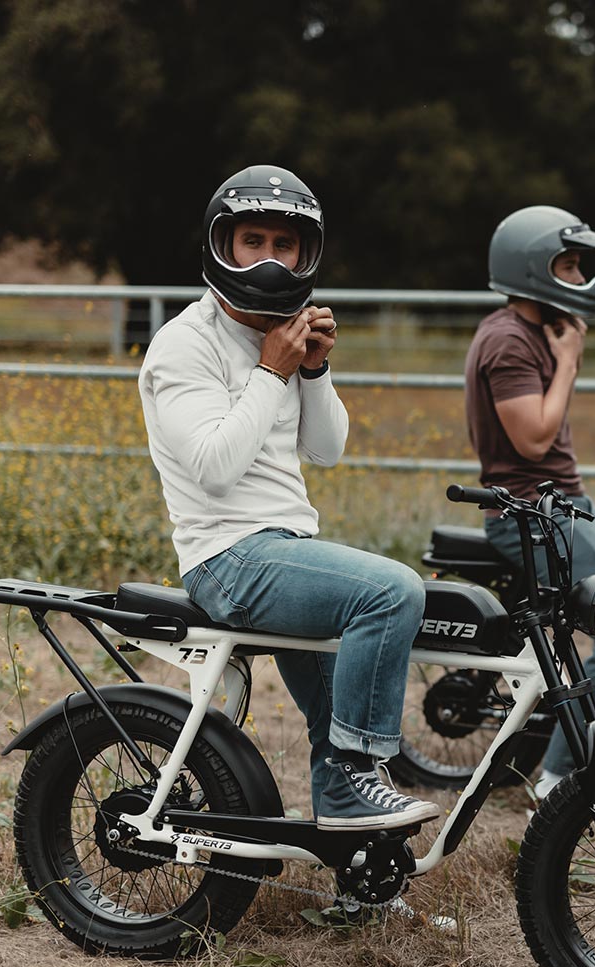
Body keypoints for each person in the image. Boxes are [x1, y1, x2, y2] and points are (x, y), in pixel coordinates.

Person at [138, 164, 439, 833]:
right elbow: (216, 469)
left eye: (285, 243)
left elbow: (327, 449)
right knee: (392, 592)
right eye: (253, 240)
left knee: (336, 705)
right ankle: (354, 777)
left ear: (307, 253)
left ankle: (358, 865)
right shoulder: (186, 344)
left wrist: (314, 370)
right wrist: (273, 371)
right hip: (228, 555)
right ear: (224, 244)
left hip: (285, 549)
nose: (270, 258)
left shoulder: (284, 335)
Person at [464, 205, 595, 798]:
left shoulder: (534, 328)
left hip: (563, 506)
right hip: (532, 516)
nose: (579, 278)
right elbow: (532, 437)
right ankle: (557, 781)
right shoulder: (508, 341)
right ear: (534, 269)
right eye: (569, 264)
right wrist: (571, 362)